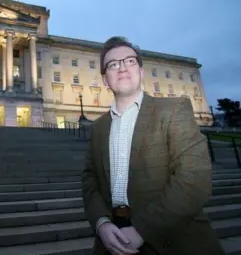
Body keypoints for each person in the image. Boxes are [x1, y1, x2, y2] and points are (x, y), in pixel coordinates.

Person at [81, 36, 224, 255]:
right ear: (105, 80)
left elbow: (194, 178)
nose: (122, 68)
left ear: (141, 71)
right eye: (113, 64)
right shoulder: (98, 128)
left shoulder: (174, 109)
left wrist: (142, 230)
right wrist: (102, 223)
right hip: (112, 238)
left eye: (129, 61)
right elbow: (90, 181)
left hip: (175, 240)